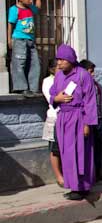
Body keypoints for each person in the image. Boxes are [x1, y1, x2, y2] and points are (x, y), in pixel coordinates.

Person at [49, 45, 98, 201]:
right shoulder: (59, 76)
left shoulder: (83, 75)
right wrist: (56, 99)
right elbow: (52, 94)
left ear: (70, 60)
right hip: (63, 118)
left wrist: (87, 124)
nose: (59, 63)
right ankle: (74, 186)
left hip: (79, 118)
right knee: (68, 154)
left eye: (62, 60)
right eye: (58, 60)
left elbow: (90, 101)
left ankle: (83, 187)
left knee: (81, 153)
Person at [7, 0, 42, 96]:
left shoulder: (30, 8)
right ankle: (20, 87)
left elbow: (38, 7)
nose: (31, 1)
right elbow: (10, 25)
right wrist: (9, 40)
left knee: (34, 63)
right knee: (19, 62)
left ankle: (33, 88)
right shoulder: (14, 9)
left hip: (30, 40)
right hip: (19, 39)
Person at [79, 59, 102, 181]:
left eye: (93, 71)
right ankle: (88, 175)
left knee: (98, 147)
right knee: (88, 149)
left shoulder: (95, 84)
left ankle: (97, 172)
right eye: (91, 71)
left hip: (98, 120)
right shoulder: (81, 85)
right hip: (89, 122)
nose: (93, 74)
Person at [41, 59, 64, 187]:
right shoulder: (48, 81)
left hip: (66, 118)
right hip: (54, 118)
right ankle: (58, 176)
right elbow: (54, 99)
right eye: (58, 68)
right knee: (55, 149)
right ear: (52, 69)